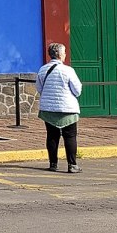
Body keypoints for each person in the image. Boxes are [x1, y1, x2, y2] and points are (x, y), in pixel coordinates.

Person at [36, 42, 83, 173]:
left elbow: (39, 88)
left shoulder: (43, 69)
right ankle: (72, 165)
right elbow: (77, 90)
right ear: (60, 54)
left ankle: (53, 164)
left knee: (52, 136)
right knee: (70, 136)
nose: (65, 54)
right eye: (64, 52)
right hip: (67, 109)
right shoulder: (68, 70)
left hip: (49, 109)